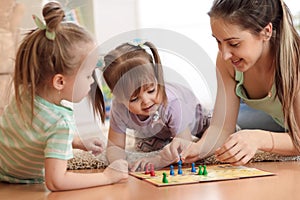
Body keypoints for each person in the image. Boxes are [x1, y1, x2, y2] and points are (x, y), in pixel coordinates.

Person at [0, 2, 128, 191]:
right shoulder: (61, 123)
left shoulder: (26, 91)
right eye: (87, 75)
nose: (92, 82)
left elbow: (34, 131)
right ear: (60, 81)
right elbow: (57, 181)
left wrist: (76, 141)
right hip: (13, 180)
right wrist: (108, 176)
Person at [179, 0, 300, 165]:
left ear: (266, 32)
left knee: (246, 132)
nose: (225, 55)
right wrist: (199, 148)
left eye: (234, 44)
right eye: (218, 42)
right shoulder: (227, 62)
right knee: (229, 127)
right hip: (273, 118)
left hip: (288, 122)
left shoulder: (294, 62)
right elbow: (222, 127)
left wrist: (259, 139)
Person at [92, 40, 211, 171]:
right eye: (134, 99)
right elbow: (114, 147)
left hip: (202, 122)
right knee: (145, 148)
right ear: (119, 98)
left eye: (151, 91)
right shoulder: (119, 107)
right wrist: (118, 163)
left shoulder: (172, 103)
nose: (147, 101)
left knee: (213, 136)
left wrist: (158, 161)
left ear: (157, 78)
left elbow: (184, 146)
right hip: (158, 132)